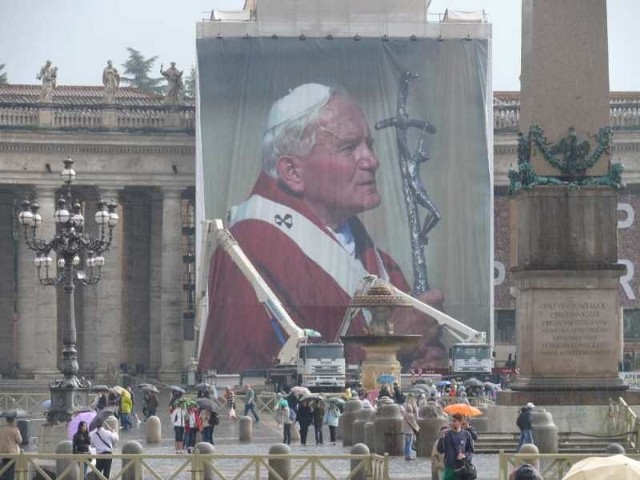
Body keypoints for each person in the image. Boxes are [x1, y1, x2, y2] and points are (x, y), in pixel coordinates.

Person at [198, 83, 446, 373]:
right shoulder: (249, 252)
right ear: (293, 172)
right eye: (349, 147)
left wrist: (426, 356)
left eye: (370, 145)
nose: (372, 161)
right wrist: (391, 341)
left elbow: (417, 348)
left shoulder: (375, 259)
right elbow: (264, 373)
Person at [437, 413, 475, 480]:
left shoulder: (466, 434)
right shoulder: (446, 434)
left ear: (460, 423)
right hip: (449, 467)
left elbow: (470, 451)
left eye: (454, 421)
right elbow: (440, 450)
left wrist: (464, 455)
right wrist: (442, 438)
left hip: (462, 468)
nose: (452, 423)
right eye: (451, 421)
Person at [0, 416, 22, 480]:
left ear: (6, 420)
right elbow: (20, 441)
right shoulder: (15, 429)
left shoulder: (1, 429)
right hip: (12, 453)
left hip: (2, 452)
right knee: (11, 471)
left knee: (3, 469)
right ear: (13, 420)